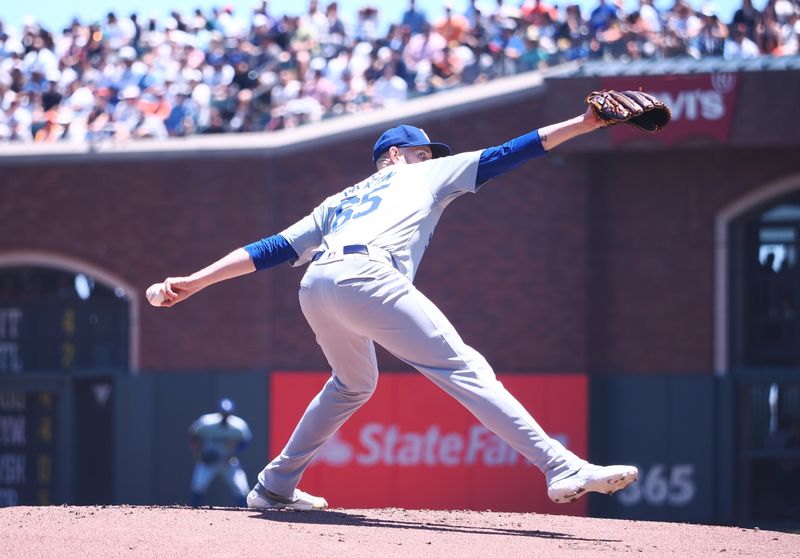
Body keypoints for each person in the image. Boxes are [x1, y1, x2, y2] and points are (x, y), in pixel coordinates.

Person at [151, 101, 639, 511]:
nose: (431, 159)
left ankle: (275, 485)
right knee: (465, 367)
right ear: (395, 155)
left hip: (317, 286)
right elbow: (506, 154)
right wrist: (586, 123)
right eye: (423, 152)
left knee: (352, 384)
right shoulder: (418, 174)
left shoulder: (339, 199)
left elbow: (273, 248)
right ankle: (561, 466)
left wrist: (197, 280)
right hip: (367, 277)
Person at [188, 398, 252, 507]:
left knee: (241, 488)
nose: (225, 416)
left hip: (228, 461)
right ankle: (193, 513)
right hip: (209, 461)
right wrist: (198, 454)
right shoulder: (207, 422)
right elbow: (193, 433)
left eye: (227, 414)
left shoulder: (238, 425)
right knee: (198, 486)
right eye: (223, 413)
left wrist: (234, 453)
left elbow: (245, 440)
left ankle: (244, 515)